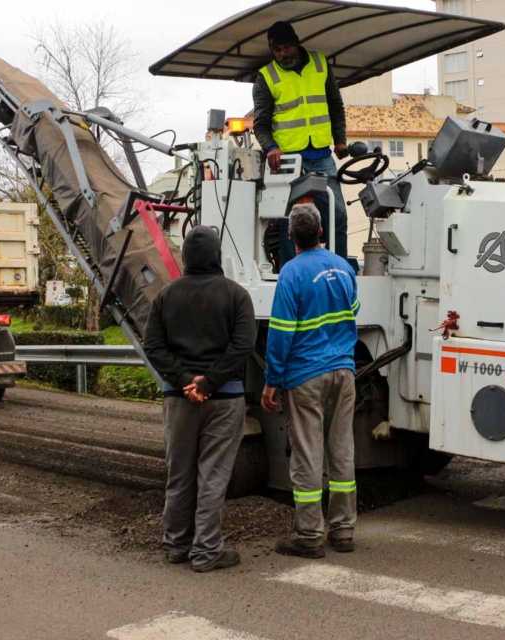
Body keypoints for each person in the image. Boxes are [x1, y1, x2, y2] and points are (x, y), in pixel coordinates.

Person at [144, 226, 257, 573]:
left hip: (179, 400)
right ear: (217, 256)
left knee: (179, 473)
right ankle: (207, 551)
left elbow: (153, 347)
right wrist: (209, 383)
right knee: (213, 476)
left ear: (186, 258)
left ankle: (176, 545)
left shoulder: (166, 295)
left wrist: (184, 381)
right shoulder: (236, 295)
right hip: (224, 401)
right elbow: (243, 345)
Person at [261, 205, 360, 558]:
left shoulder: (291, 274)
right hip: (344, 372)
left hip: (305, 375)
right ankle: (343, 530)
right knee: (342, 450)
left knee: (307, 455)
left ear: (291, 236)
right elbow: (354, 309)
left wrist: (272, 380)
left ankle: (308, 536)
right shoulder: (343, 267)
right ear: (321, 232)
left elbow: (281, 332)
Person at [252, 20, 350, 265]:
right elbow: (260, 124)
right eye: (277, 51)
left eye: (286, 47)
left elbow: (335, 105)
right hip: (287, 160)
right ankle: (290, 271)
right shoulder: (266, 77)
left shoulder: (320, 64)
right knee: (289, 220)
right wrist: (271, 148)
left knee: (337, 215)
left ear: (296, 43)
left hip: (322, 155)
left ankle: (338, 267)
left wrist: (340, 140)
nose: (282, 54)